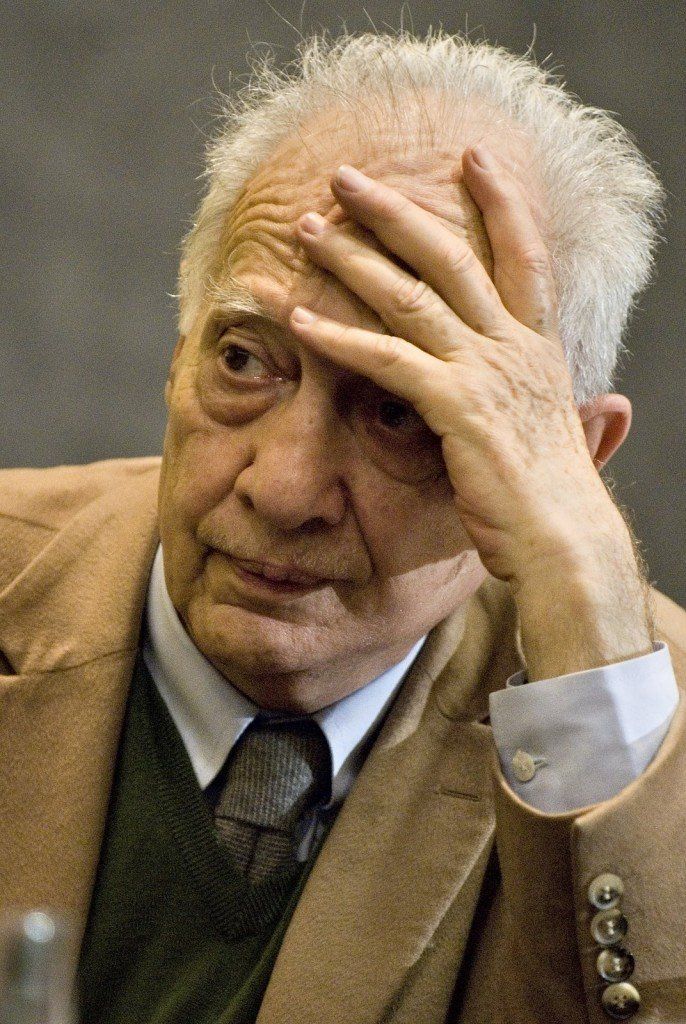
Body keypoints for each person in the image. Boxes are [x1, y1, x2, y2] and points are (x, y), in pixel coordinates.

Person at [1, 28, 684, 1024]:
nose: (282, 490)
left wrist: (585, 599)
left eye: (400, 411)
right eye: (243, 361)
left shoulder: (644, 741)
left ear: (564, 459)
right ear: (180, 351)